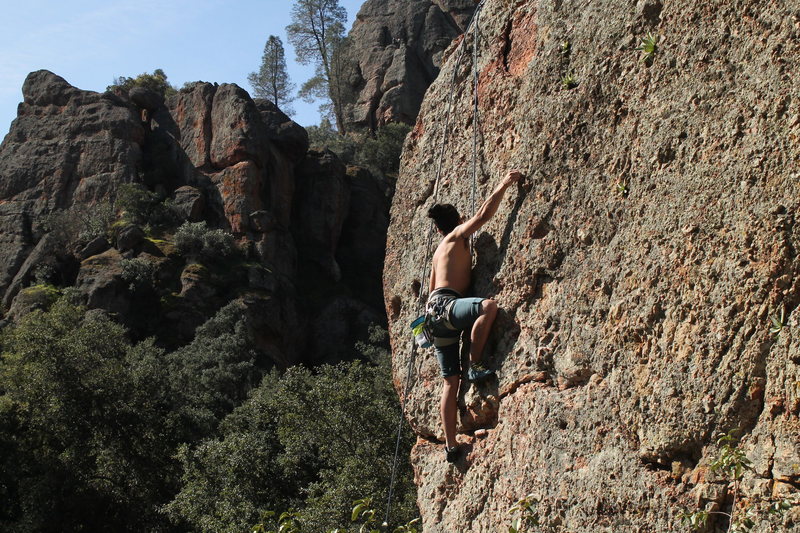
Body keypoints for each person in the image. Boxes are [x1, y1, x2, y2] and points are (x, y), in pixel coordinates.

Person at [426, 169, 523, 463]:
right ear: (455, 223)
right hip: (448, 306)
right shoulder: (457, 235)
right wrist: (504, 184)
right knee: (488, 307)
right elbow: (482, 216)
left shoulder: (438, 252)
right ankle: (476, 363)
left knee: (449, 384)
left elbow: (432, 290)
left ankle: (451, 446)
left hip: (434, 315)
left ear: (438, 230)